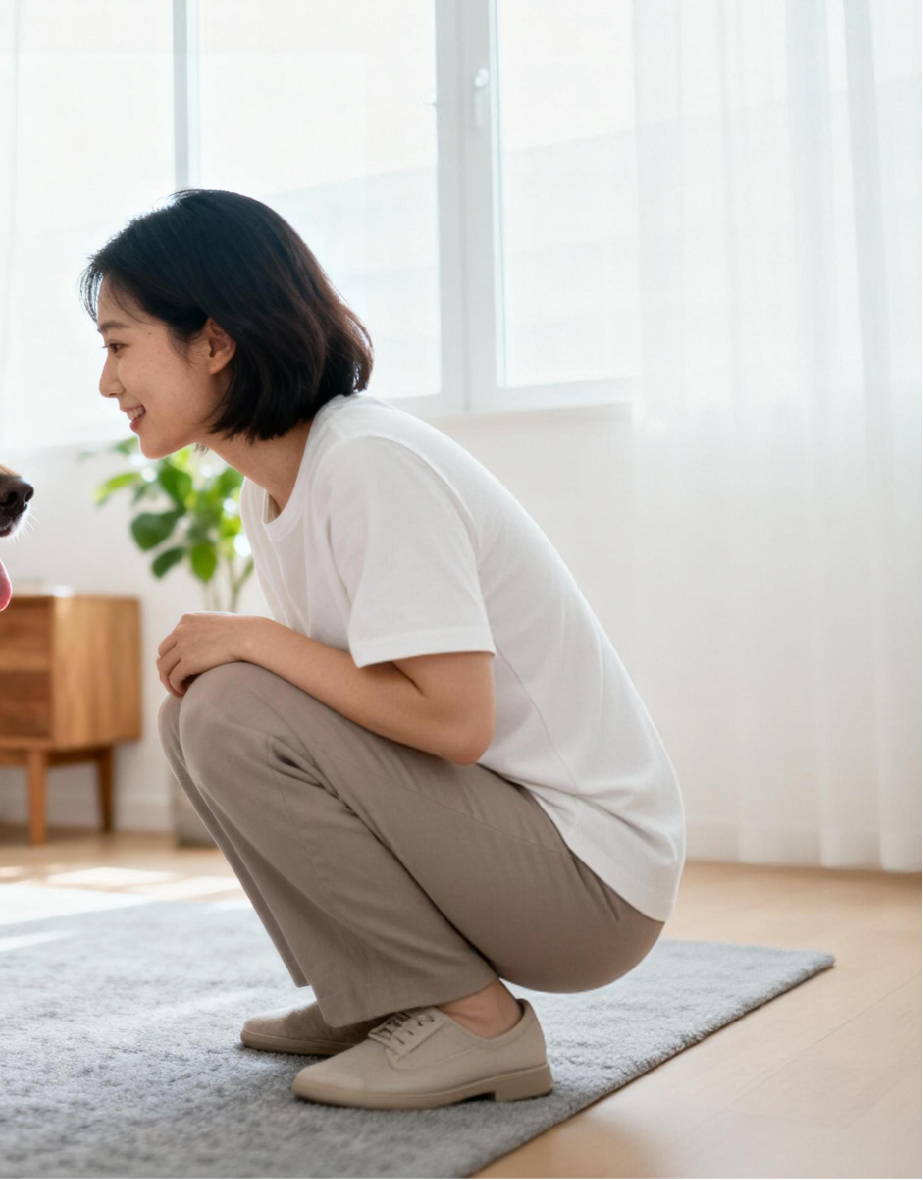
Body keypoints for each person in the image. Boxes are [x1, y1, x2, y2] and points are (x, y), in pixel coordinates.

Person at [86, 190, 684, 1110]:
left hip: (588, 883)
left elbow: (453, 720)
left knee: (231, 704)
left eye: (118, 345)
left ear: (213, 342)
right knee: (197, 712)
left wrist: (255, 639)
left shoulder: (369, 460)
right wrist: (251, 651)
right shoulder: (273, 490)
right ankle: (380, 991)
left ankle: (476, 1023)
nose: (106, 382)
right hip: (515, 845)